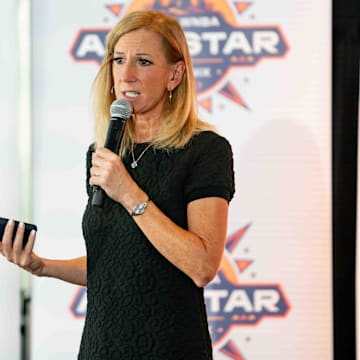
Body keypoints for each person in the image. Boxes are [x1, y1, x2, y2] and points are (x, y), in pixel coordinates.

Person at [0, 10, 235, 359]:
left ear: (175, 74)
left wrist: (129, 194)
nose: (126, 74)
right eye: (118, 60)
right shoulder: (103, 153)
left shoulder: (205, 150)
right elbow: (112, 263)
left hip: (170, 346)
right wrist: (43, 266)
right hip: (101, 346)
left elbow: (202, 266)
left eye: (143, 61)